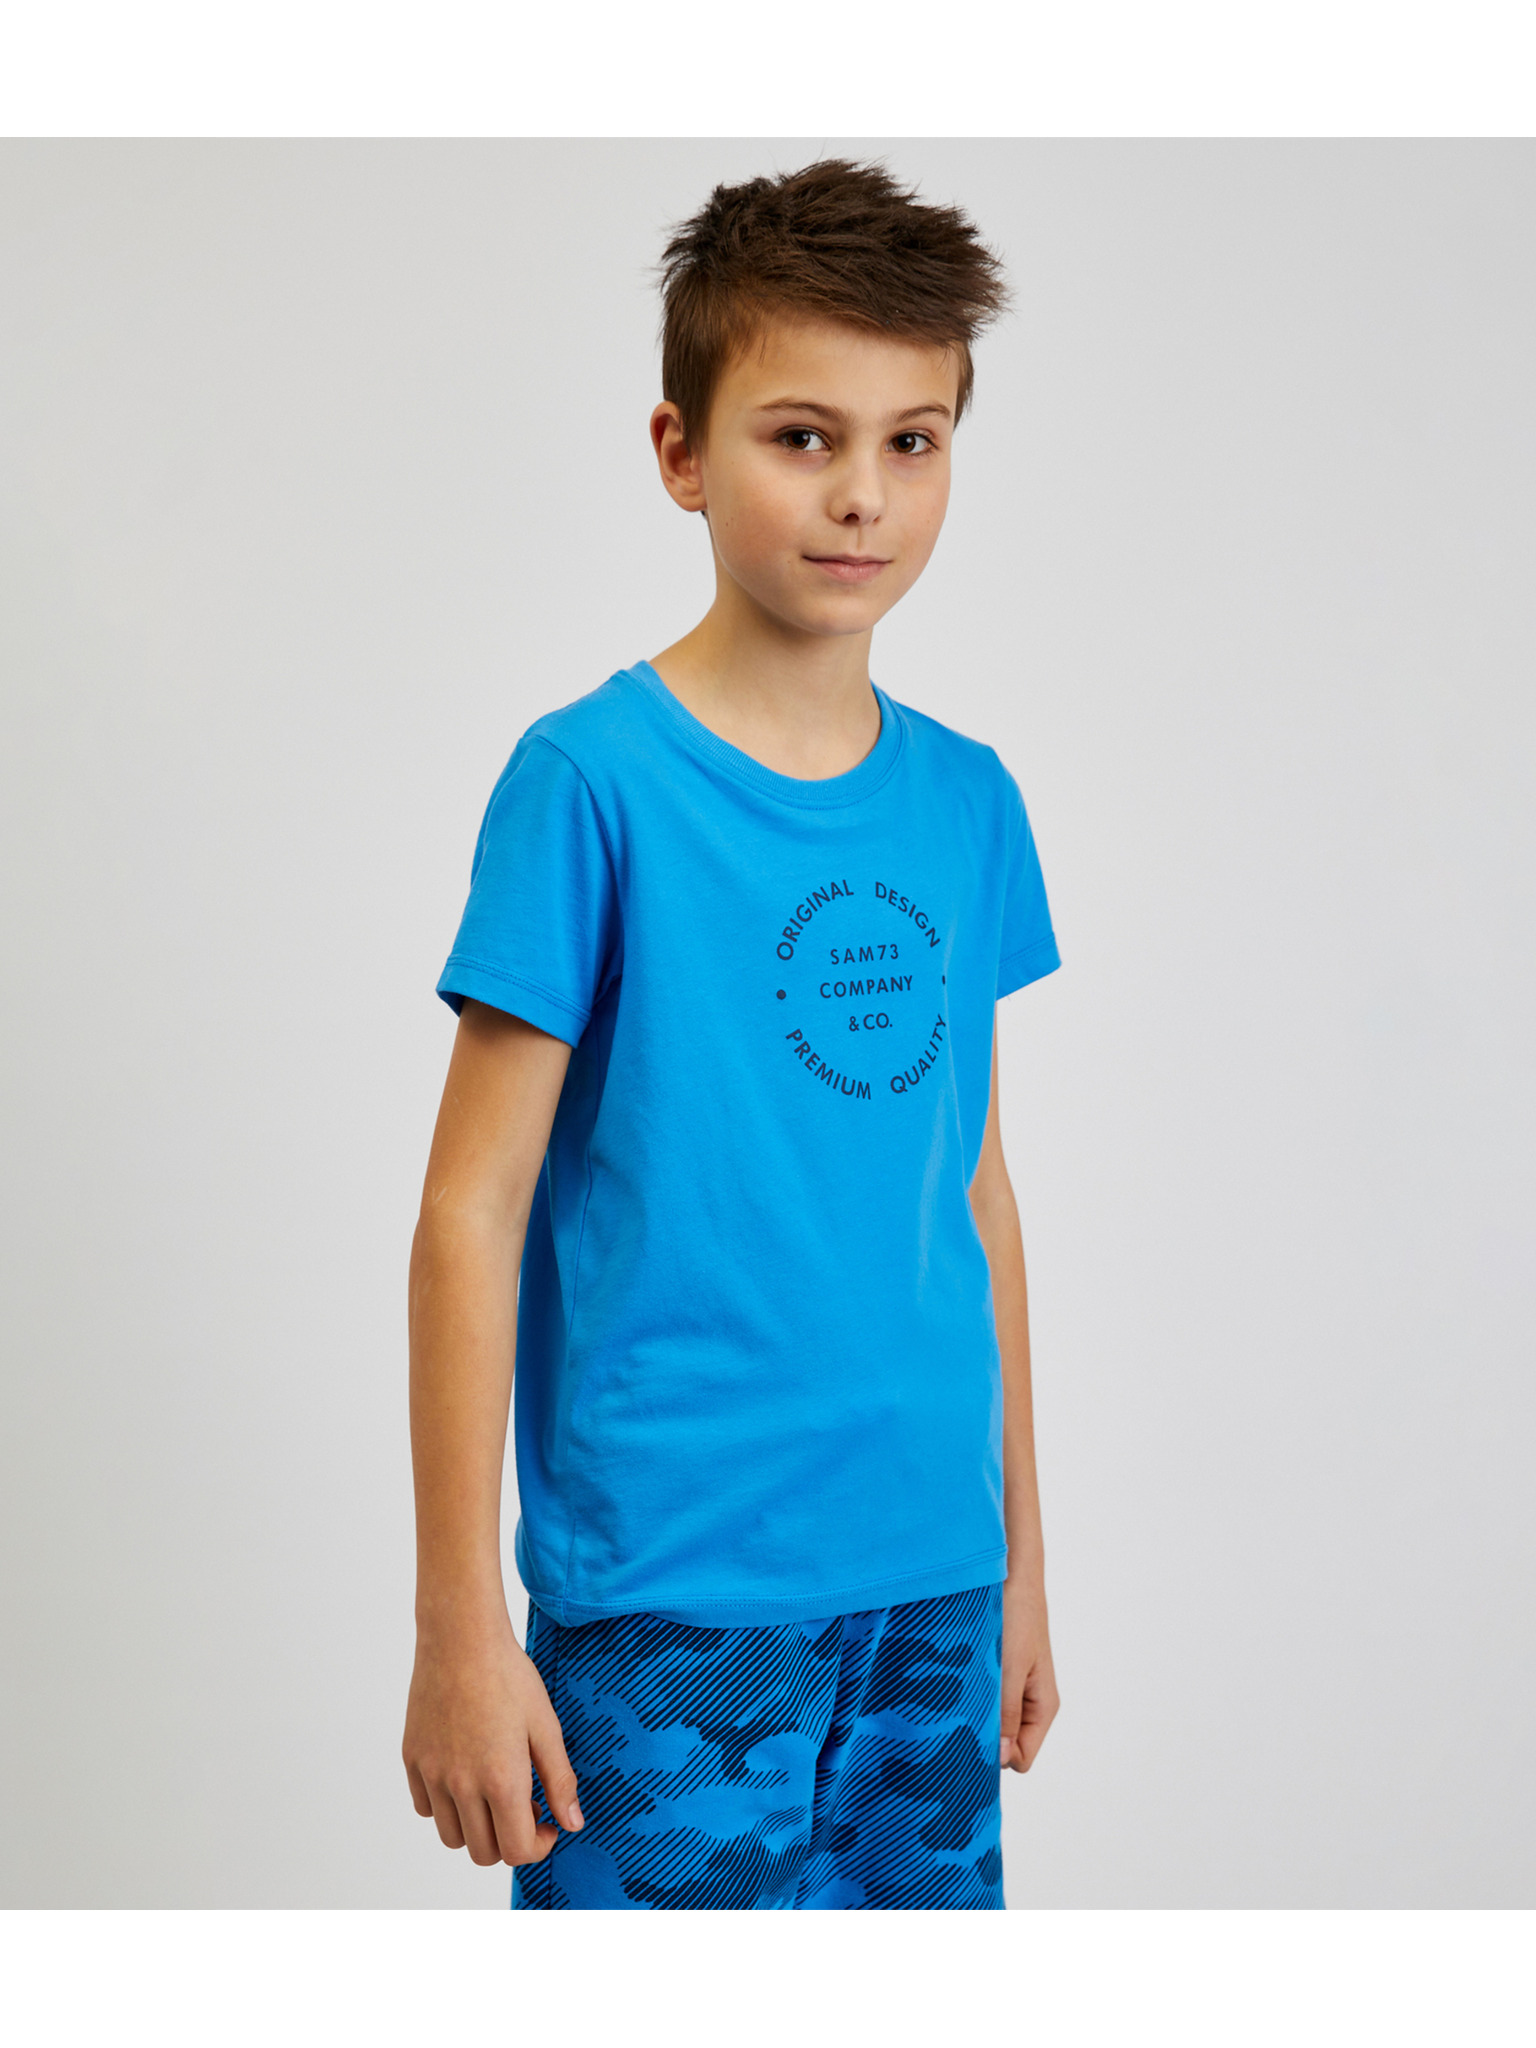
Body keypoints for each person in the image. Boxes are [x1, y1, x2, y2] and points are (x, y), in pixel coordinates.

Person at [402, 158, 1062, 1911]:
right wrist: (461, 1627)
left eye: (912, 441)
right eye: (801, 437)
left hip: (932, 1584)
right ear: (681, 452)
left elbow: (975, 1196)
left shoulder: (970, 803)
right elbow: (470, 1210)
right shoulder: (590, 784)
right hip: (672, 1602)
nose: (862, 495)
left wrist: (1021, 1564)